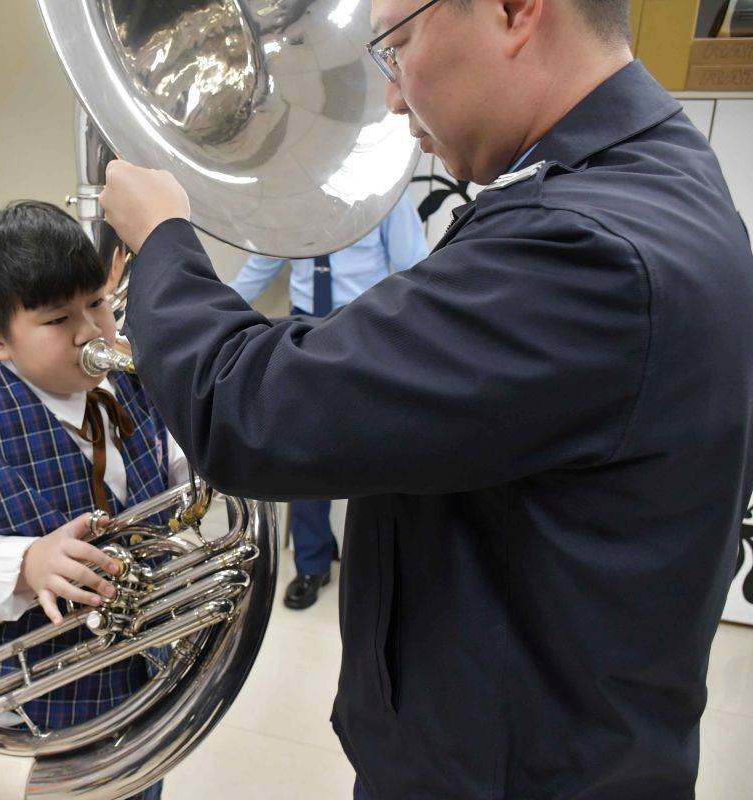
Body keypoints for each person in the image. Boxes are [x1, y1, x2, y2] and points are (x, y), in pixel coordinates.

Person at [97, 0, 753, 797]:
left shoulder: (587, 248)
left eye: (399, 45)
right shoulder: (652, 170)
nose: (394, 97)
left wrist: (164, 239)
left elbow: (250, 413)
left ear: (515, 12)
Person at [0, 200, 189, 800]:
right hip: (35, 715)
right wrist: (22, 563)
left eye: (97, 302)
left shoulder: (129, 382)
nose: (92, 331)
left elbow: (164, 466)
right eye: (56, 320)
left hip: (143, 683)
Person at [228, 197, 429, 609]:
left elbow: (415, 265)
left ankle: (377, 563)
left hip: (363, 325)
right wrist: (203, 316)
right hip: (304, 326)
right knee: (304, 450)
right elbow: (259, 270)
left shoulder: (386, 198)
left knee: (375, 451)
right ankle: (312, 564)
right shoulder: (289, 201)